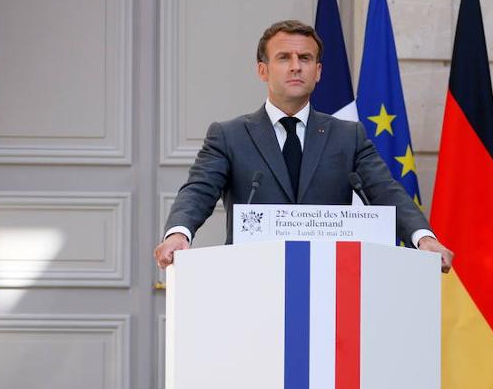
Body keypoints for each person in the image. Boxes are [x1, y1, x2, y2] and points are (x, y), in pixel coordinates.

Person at [154, 19, 454, 271]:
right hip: (252, 277)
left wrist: (423, 238)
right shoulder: (229, 135)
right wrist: (179, 233)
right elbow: (198, 191)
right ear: (263, 70)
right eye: (284, 57)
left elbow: (385, 191)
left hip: (331, 279)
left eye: (305, 58)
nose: (296, 66)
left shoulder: (348, 136)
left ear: (318, 72)